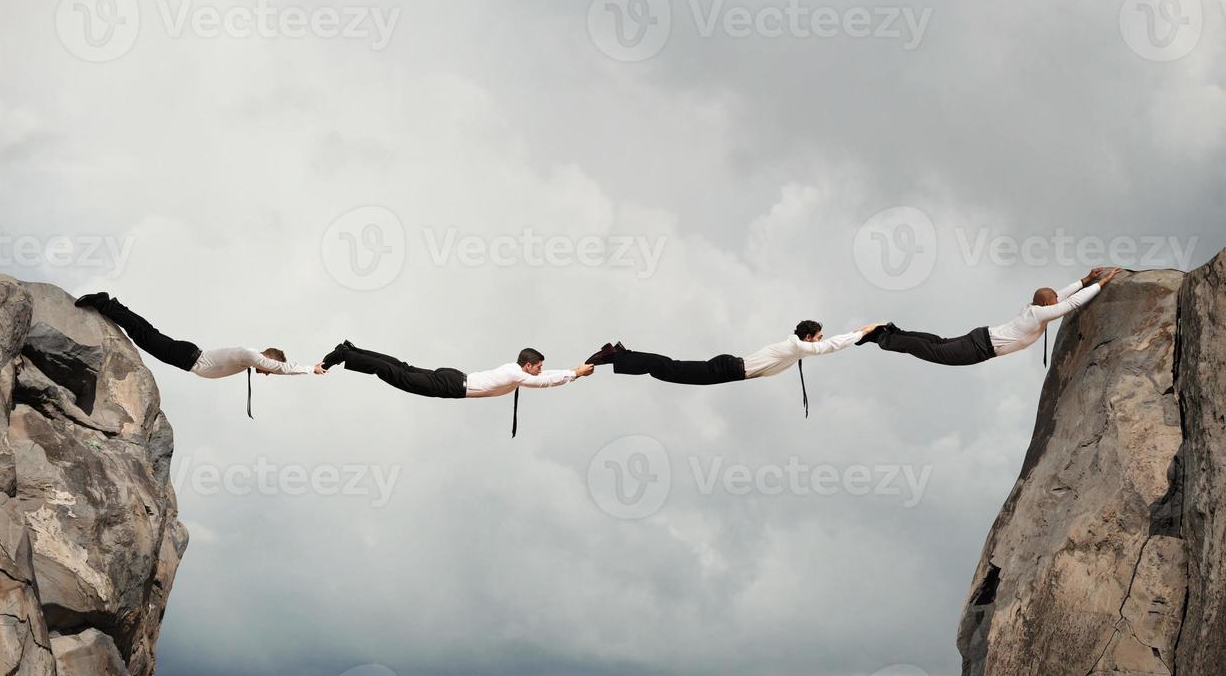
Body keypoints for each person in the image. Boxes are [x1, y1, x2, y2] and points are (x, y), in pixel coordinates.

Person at [74, 292, 325, 417]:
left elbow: (275, 368)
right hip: (186, 357)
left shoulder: (249, 360)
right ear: (267, 359)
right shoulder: (250, 355)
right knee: (141, 334)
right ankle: (104, 303)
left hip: (187, 356)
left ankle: (112, 304)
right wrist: (309, 368)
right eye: (268, 369)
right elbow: (280, 368)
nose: (267, 374)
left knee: (145, 332)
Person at [584, 320, 884, 417]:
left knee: (670, 369)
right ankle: (617, 355)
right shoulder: (796, 345)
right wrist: (862, 333)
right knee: (669, 370)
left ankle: (621, 355)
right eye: (817, 336)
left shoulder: (796, 347)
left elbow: (825, 345)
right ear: (808, 337)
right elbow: (828, 347)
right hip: (728, 370)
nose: (820, 341)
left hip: (730, 370)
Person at [858, 267, 1123, 367]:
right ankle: (884, 338)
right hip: (979, 347)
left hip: (980, 339)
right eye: (1053, 302)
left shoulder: (1033, 308)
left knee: (936, 343)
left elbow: (1061, 296)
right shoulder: (1037, 314)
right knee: (933, 350)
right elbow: (1070, 302)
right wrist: (1101, 283)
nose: (1057, 304)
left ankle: (890, 331)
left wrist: (1084, 279)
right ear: (1045, 303)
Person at [319, 341, 595, 437]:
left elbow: (545, 377)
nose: (540, 370)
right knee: (395, 374)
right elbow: (544, 382)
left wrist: (574, 372)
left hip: (453, 379)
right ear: (528, 365)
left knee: (401, 368)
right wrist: (574, 374)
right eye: (539, 366)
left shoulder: (515, 372)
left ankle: (351, 350)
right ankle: (345, 355)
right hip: (450, 384)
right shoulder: (516, 373)